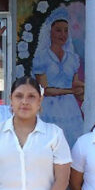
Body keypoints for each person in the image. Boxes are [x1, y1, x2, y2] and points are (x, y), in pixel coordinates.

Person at [32, 9, 85, 147]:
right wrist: (71, 91)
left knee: (72, 145)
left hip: (69, 108)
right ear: (50, 32)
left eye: (66, 31)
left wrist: (86, 87)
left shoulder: (72, 58)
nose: (63, 34)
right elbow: (45, 90)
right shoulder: (42, 57)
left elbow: (75, 82)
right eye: (58, 30)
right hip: (49, 107)